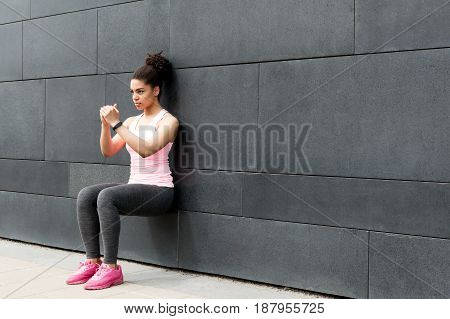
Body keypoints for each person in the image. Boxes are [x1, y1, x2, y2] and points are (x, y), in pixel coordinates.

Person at [65, 51, 179, 290]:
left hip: (160, 191)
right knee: (87, 194)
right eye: (132, 92)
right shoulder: (130, 122)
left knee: (107, 196)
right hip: (135, 186)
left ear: (155, 90)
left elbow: (147, 149)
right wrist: (106, 126)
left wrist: (117, 123)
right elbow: (107, 151)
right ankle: (92, 261)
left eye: (140, 92)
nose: (135, 98)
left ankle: (112, 268)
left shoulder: (168, 121)